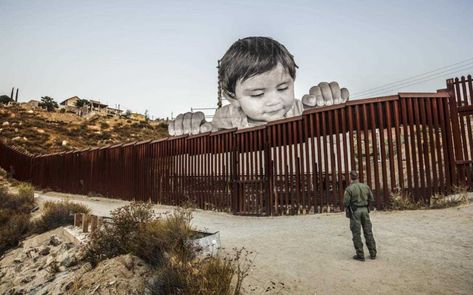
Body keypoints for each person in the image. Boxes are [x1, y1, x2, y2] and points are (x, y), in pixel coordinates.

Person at [168, 36, 350, 135]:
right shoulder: (223, 121)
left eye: (283, 88)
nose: (274, 101)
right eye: (257, 94)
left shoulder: (306, 111)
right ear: (232, 96)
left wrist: (330, 113)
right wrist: (193, 132)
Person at [344, 170, 377, 261]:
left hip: (355, 212)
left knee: (356, 233)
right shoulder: (366, 186)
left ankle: (360, 255)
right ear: (358, 177)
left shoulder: (349, 189)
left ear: (351, 177)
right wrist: (367, 207)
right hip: (365, 211)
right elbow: (371, 199)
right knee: (368, 231)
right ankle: (373, 253)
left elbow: (346, 203)